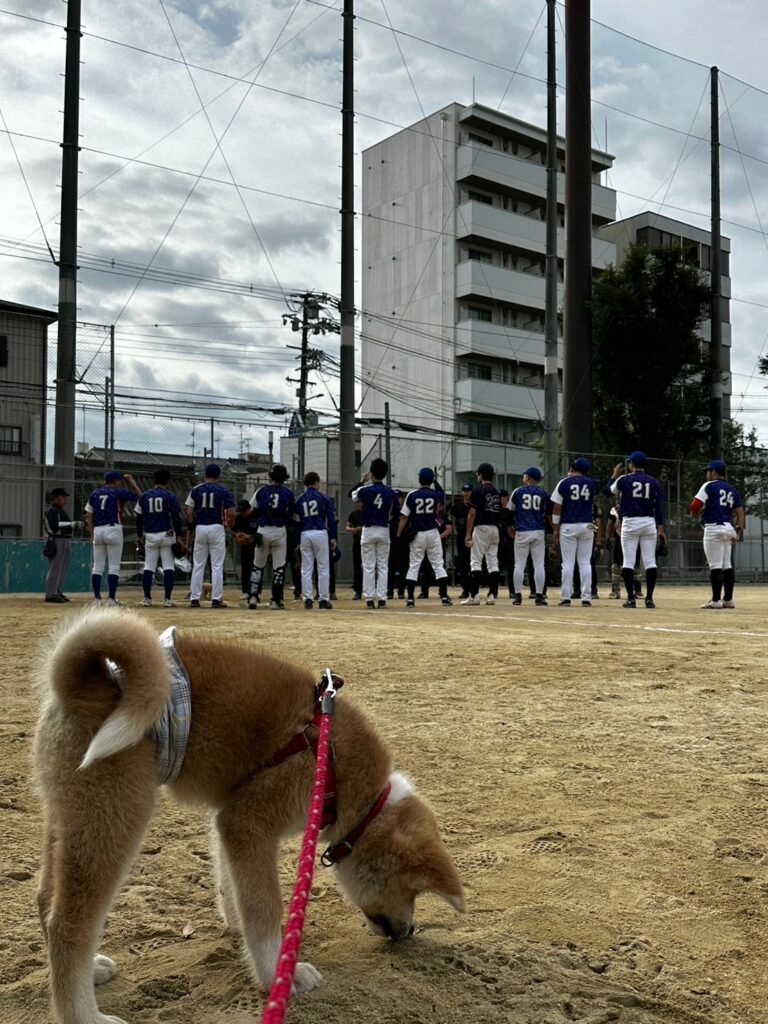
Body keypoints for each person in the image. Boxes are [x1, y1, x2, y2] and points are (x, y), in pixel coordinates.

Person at [609, 451, 665, 609]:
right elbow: (658, 508)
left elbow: (609, 490)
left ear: (631, 464)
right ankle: (649, 599)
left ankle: (631, 599)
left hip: (630, 522)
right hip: (649, 522)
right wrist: (661, 528)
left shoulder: (624, 479)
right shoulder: (654, 482)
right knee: (650, 562)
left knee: (628, 561)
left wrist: (614, 475)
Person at [690, 458, 745, 609]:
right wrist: (738, 532)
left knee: (715, 566)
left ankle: (716, 600)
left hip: (713, 528)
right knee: (727, 565)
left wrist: (695, 514)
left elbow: (695, 505)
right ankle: (728, 599)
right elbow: (740, 513)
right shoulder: (732, 489)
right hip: (728, 528)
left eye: (708, 471)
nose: (707, 475)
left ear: (714, 472)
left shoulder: (708, 486)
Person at [85, 469, 142, 605]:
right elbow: (140, 496)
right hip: (113, 529)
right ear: (115, 481)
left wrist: (92, 532)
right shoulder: (118, 492)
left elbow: (89, 515)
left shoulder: (95, 493)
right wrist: (131, 482)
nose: (121, 484)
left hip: (98, 530)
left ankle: (97, 599)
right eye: (120, 481)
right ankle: (111, 599)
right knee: (114, 567)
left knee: (97, 567)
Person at [397, 468, 452, 608]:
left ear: (419, 479)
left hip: (418, 533)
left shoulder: (412, 495)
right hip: (433, 532)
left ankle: (410, 599)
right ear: (431, 480)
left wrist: (398, 533)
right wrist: (434, 480)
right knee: (438, 565)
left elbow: (404, 516)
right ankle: (444, 597)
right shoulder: (435, 494)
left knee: (414, 565)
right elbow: (442, 493)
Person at [550, 458, 600, 607]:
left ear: (572, 468)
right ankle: (586, 597)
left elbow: (557, 508)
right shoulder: (592, 483)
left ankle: (566, 597)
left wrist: (555, 528)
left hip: (568, 525)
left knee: (567, 563)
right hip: (586, 525)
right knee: (585, 563)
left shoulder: (564, 483)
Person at [185, 463, 235, 609]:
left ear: (205, 475)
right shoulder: (223, 490)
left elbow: (189, 512)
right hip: (216, 527)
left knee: (198, 565)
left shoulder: (196, 490)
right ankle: (216, 599)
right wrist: (231, 523)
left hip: (200, 527)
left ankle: (194, 598)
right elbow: (231, 512)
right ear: (219, 476)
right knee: (217, 566)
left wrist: (193, 525)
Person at [248, 463, 295, 610]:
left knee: (258, 565)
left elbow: (252, 509)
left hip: (262, 530)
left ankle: (253, 597)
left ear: (271, 476)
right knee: (278, 567)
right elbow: (291, 514)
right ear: (284, 478)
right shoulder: (288, 493)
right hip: (279, 530)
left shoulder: (262, 491)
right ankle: (276, 600)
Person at [351, 458, 396, 609]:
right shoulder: (390, 492)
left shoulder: (365, 490)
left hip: (369, 529)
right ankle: (382, 598)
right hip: (384, 529)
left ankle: (370, 598)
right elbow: (395, 511)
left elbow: (351, 494)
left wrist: (362, 481)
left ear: (372, 473)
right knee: (383, 566)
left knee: (369, 565)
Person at [135, 468, 183, 607]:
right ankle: (167, 600)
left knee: (149, 567)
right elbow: (176, 517)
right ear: (167, 481)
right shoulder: (170, 496)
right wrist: (179, 536)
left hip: (150, 534)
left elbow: (139, 517)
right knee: (168, 566)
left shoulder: (145, 496)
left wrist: (139, 535)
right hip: (167, 534)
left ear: (154, 480)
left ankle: (147, 599)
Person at [295, 471, 336, 609]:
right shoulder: (323, 498)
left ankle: (307, 599)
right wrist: (333, 536)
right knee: (323, 567)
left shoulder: (300, 499)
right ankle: (323, 598)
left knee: (306, 568)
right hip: (319, 531)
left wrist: (297, 538)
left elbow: (296, 519)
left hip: (305, 533)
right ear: (316, 482)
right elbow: (331, 519)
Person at [462, 462, 501, 606]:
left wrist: (468, 533)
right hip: (494, 528)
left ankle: (474, 595)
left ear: (480, 475)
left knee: (476, 561)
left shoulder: (478, 490)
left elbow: (472, 513)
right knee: (492, 562)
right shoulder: (496, 491)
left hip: (481, 528)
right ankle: (492, 595)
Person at [509, 467, 550, 606]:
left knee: (519, 564)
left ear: (529, 477)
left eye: (524, 475)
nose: (523, 477)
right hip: (538, 530)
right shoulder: (544, 493)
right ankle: (539, 595)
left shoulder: (518, 491)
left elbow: (510, 510)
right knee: (539, 565)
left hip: (522, 530)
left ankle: (518, 595)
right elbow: (547, 511)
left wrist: (511, 526)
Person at [43, 487, 75, 603]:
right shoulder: (52, 510)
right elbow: (54, 526)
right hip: (57, 540)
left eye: (64, 497)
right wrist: (71, 524)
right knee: (55, 568)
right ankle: (51, 594)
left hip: (65, 540)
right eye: (62, 497)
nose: (64, 499)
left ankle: (58, 591)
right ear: (55, 498)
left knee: (62, 568)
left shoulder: (60, 511)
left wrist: (70, 525)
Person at [448, 484, 472, 596]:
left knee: (473, 562)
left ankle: (473, 588)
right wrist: (456, 530)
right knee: (463, 563)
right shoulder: (457, 506)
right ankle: (465, 589)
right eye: (464, 490)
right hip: (461, 536)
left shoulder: (474, 505)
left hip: (473, 536)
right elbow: (452, 518)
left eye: (468, 490)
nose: (466, 493)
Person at [233, 499, 257, 603]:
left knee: (256, 568)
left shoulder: (256, 516)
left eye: (244, 511)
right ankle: (246, 591)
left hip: (256, 546)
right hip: (245, 546)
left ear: (249, 508)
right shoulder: (239, 518)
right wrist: (238, 536)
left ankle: (256, 592)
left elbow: (260, 533)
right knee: (245, 568)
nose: (242, 513)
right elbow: (234, 530)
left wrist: (248, 536)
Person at [497, 490, 515, 598]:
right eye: (501, 497)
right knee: (496, 565)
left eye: (505, 497)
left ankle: (512, 590)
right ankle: (494, 589)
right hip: (498, 540)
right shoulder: (497, 511)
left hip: (509, 541)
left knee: (511, 567)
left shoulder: (511, 511)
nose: (503, 499)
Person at [345, 505, 363, 599]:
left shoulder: (369, 512)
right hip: (357, 541)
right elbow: (347, 527)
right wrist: (355, 529)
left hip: (367, 542)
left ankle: (369, 590)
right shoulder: (354, 514)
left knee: (369, 566)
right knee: (357, 566)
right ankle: (358, 590)